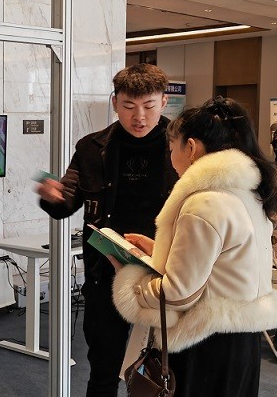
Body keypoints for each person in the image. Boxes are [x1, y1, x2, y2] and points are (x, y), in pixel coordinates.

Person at [110, 97, 277, 397]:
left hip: (203, 345)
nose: (171, 158)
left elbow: (178, 293)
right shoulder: (249, 193)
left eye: (172, 148)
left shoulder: (204, 202)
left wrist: (131, 279)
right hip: (241, 342)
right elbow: (225, 263)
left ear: (190, 148)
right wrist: (160, 250)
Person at [36, 63, 177, 397]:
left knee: (167, 369)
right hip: (106, 275)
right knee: (103, 368)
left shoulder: (183, 146)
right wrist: (53, 196)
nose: (139, 117)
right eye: (128, 106)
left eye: (149, 106)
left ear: (163, 102)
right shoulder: (91, 148)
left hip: (168, 274)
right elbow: (67, 202)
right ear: (115, 103)